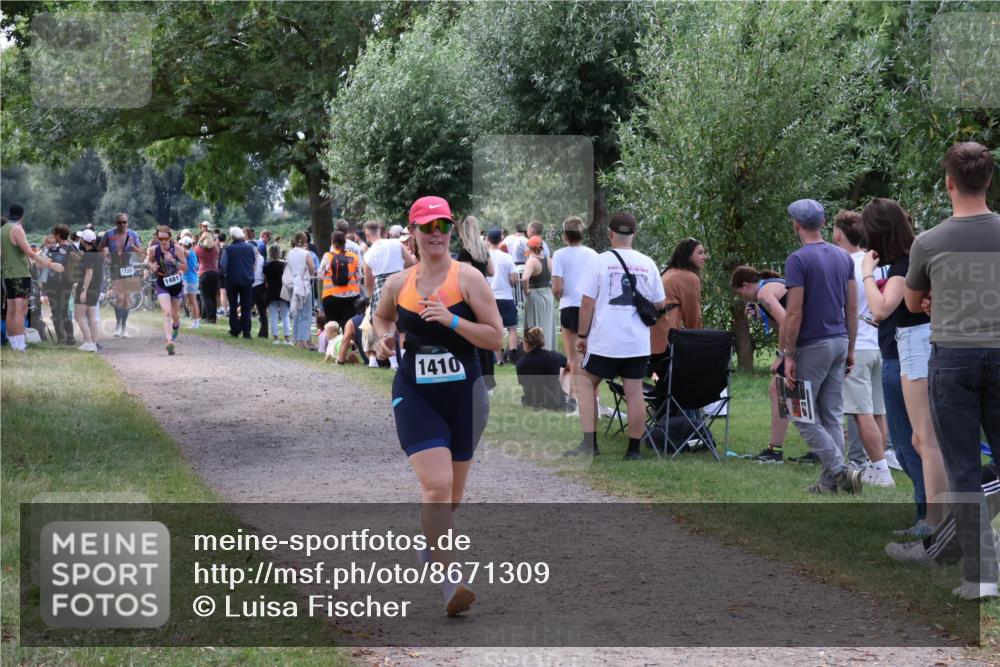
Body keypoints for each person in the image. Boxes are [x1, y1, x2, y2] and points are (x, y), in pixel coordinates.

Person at [373, 195, 502, 616]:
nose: (435, 235)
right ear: (412, 233)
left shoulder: (469, 279)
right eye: (426, 227)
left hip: (465, 396)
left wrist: (451, 321)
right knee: (436, 485)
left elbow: (497, 337)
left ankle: (430, 540)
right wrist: (382, 337)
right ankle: (451, 584)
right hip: (416, 393)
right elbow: (381, 318)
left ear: (451, 230)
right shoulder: (399, 284)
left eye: (442, 226)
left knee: (452, 496)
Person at [902, 142, 1000, 600]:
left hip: (955, 356)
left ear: (949, 183)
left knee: (962, 467)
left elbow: (910, 302)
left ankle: (982, 576)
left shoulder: (929, 241)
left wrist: (936, 297)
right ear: (989, 180)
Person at [861, 199, 947, 524]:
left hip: (905, 359)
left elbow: (882, 307)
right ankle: (929, 515)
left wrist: (867, 275)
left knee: (910, 440)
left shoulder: (900, 264)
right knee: (915, 440)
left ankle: (929, 517)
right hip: (904, 352)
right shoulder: (910, 259)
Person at [776, 198, 862, 494]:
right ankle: (829, 485)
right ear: (823, 223)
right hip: (839, 341)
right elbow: (851, 308)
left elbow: (794, 312)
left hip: (812, 345)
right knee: (831, 416)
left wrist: (787, 355)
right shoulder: (843, 258)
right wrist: (850, 348)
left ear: (796, 225)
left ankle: (840, 470)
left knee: (800, 413)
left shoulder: (797, 260)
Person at [567, 212, 667, 460]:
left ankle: (590, 444)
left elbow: (587, 303)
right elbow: (660, 303)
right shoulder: (648, 263)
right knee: (634, 392)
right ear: (634, 234)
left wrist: (581, 335)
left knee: (586, 384)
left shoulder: (600, 261)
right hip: (636, 341)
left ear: (610, 234)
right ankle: (633, 450)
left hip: (605, 341)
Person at [832, 210, 894, 488]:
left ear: (837, 234)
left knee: (861, 411)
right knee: (878, 411)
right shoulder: (875, 263)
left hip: (859, 344)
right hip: (879, 343)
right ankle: (876, 464)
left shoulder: (843, 264)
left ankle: (881, 470)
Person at [731, 265, 791, 463]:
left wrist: (782, 355)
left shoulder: (764, 292)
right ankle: (779, 449)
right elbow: (782, 320)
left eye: (741, 293)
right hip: (811, 340)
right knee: (788, 392)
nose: (744, 298)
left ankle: (775, 451)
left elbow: (786, 323)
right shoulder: (774, 285)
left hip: (801, 345)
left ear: (747, 285)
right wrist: (762, 315)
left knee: (778, 391)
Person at [1, 205, 65, 351]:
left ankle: (13, 342)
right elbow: (30, 253)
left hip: (7, 274)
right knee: (21, 309)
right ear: (22, 216)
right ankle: (20, 344)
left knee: (11, 309)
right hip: (20, 274)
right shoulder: (17, 229)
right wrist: (51, 264)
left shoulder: (2, 230)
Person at [551, 216, 598, 413]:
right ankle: (594, 400)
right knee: (591, 357)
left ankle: (579, 403)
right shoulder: (593, 254)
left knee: (574, 359)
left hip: (570, 306)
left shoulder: (560, 255)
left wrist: (557, 297)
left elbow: (557, 287)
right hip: (591, 307)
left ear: (564, 236)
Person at [650, 237, 706, 365]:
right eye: (700, 253)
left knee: (659, 377)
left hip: (653, 336)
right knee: (672, 379)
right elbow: (693, 316)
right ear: (688, 256)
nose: (705, 257)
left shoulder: (669, 272)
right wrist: (698, 341)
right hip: (666, 339)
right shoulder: (689, 277)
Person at [456, 216, 496, 388]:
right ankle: (489, 381)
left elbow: (467, 275)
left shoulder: (465, 252)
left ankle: (479, 378)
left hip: (472, 297)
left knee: (475, 337)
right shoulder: (484, 250)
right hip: (486, 293)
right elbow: (492, 271)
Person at [98, 212, 143, 338]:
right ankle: (118, 326)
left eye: (124, 222)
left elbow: (141, 253)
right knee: (119, 297)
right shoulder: (109, 234)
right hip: (115, 268)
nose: (122, 224)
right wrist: (106, 256)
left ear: (127, 223)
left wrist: (135, 248)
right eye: (119, 222)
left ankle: (124, 327)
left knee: (127, 299)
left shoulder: (133, 234)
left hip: (129, 268)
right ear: (116, 223)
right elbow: (100, 248)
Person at [145, 226, 187, 355]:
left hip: (176, 284)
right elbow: (148, 262)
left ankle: (175, 325)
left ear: (170, 237)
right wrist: (151, 266)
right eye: (160, 238)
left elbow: (185, 267)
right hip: (162, 282)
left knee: (175, 315)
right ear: (157, 237)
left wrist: (173, 261)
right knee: (166, 311)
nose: (163, 241)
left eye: (166, 238)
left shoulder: (177, 249)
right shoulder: (153, 250)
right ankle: (169, 341)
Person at [486, 228, 520, 363]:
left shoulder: (485, 257)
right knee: (511, 327)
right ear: (500, 240)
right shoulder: (507, 257)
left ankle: (499, 359)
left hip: (490, 297)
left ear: (488, 240)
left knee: (496, 328)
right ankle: (513, 356)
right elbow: (513, 278)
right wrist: (510, 283)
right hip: (506, 296)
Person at [516, 326, 571, 409]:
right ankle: (566, 395)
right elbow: (571, 366)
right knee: (566, 368)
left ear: (526, 343)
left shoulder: (520, 363)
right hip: (556, 403)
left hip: (531, 403)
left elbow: (525, 385)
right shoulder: (554, 356)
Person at [43, 224, 78, 346]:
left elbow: (44, 264)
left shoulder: (54, 251)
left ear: (58, 235)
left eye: (54, 233)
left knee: (55, 310)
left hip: (53, 283)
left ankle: (61, 338)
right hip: (68, 283)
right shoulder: (73, 248)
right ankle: (70, 337)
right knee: (65, 310)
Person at [220, 226, 257, 339]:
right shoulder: (251, 247)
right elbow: (255, 262)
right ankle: (246, 332)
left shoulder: (228, 249)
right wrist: (250, 272)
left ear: (232, 237)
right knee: (246, 307)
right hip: (247, 280)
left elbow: (223, 265)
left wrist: (227, 273)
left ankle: (235, 330)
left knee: (233, 306)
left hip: (232, 280)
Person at [320, 231, 362, 330]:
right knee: (349, 327)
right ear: (345, 242)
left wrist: (331, 278)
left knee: (333, 327)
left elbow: (320, 274)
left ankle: (334, 344)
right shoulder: (354, 257)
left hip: (331, 296)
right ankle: (349, 344)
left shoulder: (327, 256)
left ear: (332, 242)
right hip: (352, 296)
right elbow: (360, 275)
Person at [69, 229, 102, 352]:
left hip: (86, 287)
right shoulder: (97, 254)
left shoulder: (88, 255)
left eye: (81, 238)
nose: (80, 240)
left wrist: (83, 290)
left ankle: (89, 341)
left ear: (84, 240)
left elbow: (89, 273)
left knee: (79, 316)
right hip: (96, 288)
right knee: (92, 317)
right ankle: (93, 342)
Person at [521, 236, 555, 351]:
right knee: (547, 326)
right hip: (548, 294)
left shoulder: (532, 261)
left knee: (535, 326)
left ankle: (537, 353)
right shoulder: (549, 259)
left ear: (530, 248)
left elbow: (525, 278)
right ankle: (548, 351)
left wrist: (526, 292)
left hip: (536, 296)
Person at [287, 232, 317, 349]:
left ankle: (296, 338)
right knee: (306, 313)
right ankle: (302, 340)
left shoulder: (290, 253)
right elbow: (312, 269)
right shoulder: (306, 253)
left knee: (296, 312)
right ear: (305, 241)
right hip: (303, 283)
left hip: (293, 283)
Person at [263, 243, 291, 345]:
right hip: (283, 292)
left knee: (273, 316)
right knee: (285, 315)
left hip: (271, 292)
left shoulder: (266, 266)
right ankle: (287, 338)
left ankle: (275, 338)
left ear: (270, 253)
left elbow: (265, 280)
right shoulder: (284, 265)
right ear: (279, 253)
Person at [196, 229, 220, 324]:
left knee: (206, 296)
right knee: (213, 297)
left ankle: (209, 317)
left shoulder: (198, 248)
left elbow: (196, 253)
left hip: (204, 273)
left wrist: (199, 240)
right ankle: (213, 317)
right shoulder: (215, 248)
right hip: (214, 273)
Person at [339, 297, 370, 365]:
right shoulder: (380, 317)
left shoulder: (351, 322)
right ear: (367, 307)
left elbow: (345, 341)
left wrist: (340, 360)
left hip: (370, 360)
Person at [180, 236, 201, 329]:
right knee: (191, 301)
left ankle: (196, 322)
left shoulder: (188, 252)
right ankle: (195, 321)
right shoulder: (191, 252)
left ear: (184, 245)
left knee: (193, 301)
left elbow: (182, 252)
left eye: (182, 244)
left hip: (190, 280)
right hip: (190, 279)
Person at [251, 240, 268, 338]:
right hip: (261, 285)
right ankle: (264, 333)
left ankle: (242, 327)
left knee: (247, 307)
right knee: (262, 310)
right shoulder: (261, 258)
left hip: (254, 285)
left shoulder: (251, 258)